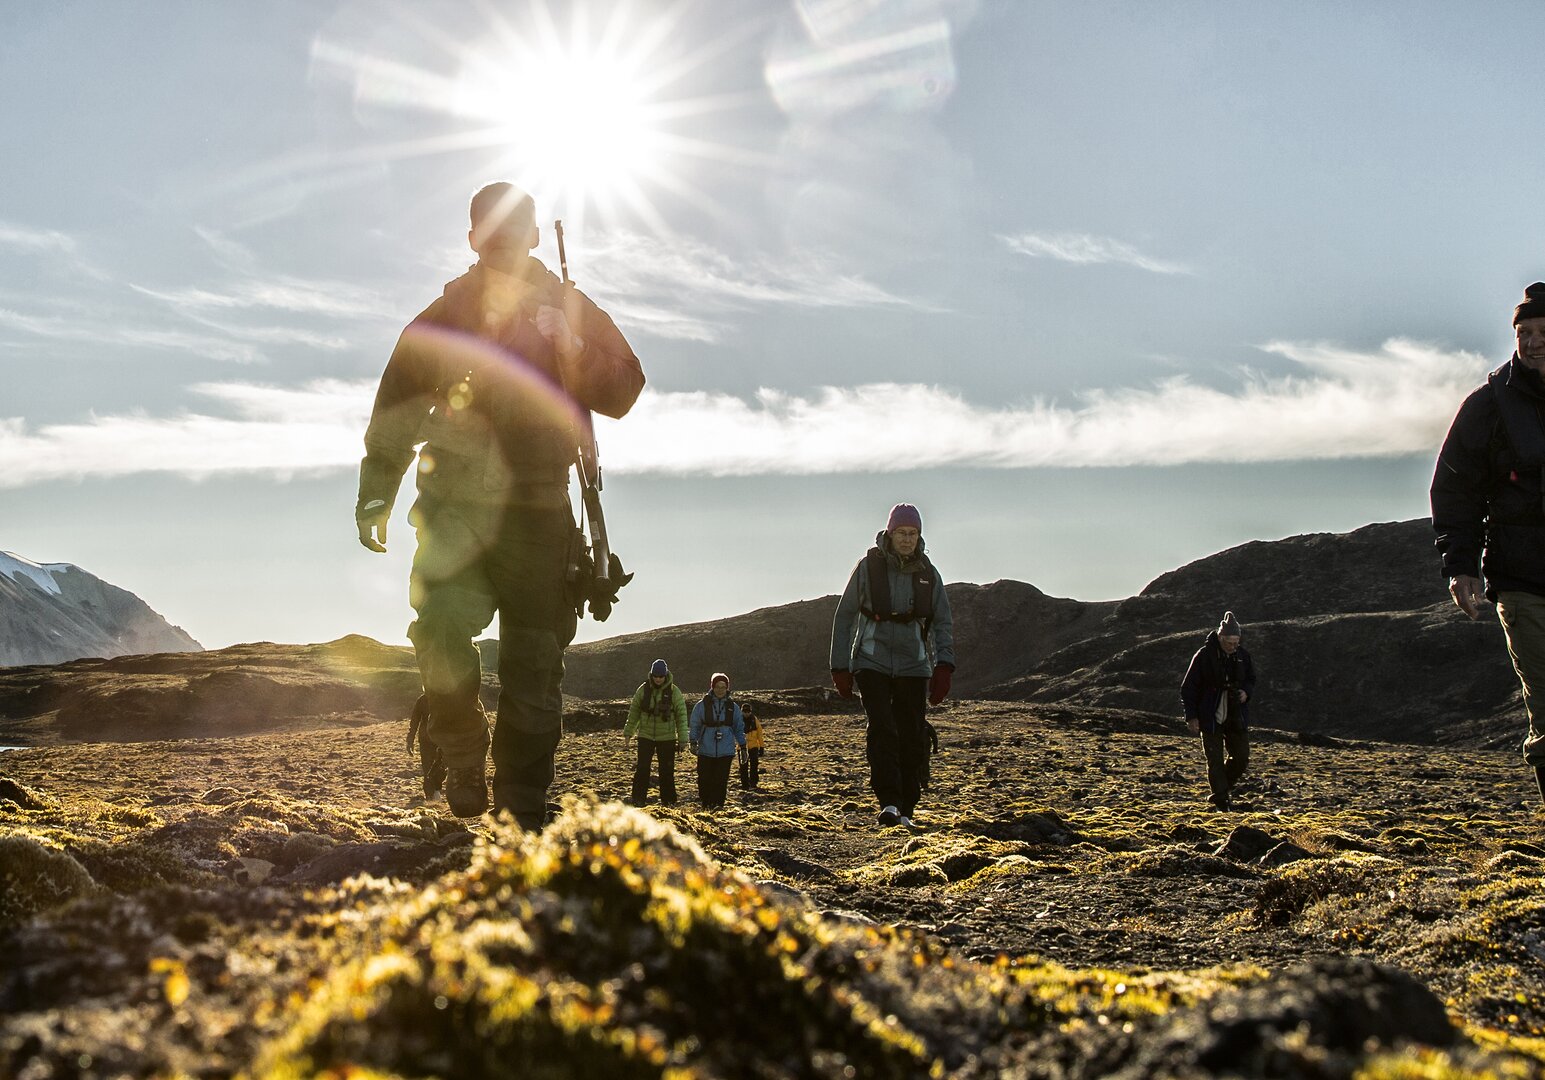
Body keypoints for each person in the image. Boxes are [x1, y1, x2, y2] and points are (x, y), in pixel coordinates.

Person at [355, 182, 645, 826]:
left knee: (535, 666)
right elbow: (396, 407)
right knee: (437, 631)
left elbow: (624, 386)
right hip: (453, 511)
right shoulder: (445, 315)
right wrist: (377, 491)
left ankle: (519, 804)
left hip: (541, 518)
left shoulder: (569, 306)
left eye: (517, 231)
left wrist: (573, 349)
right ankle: (461, 758)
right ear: (473, 241)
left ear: (536, 237)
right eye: (494, 233)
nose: (507, 244)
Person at [1432, 282, 1545, 804]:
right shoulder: (1488, 407)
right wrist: (1461, 565)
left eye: (1543, 332)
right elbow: (1455, 488)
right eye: (1524, 333)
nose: (1534, 342)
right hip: (1524, 582)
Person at [829, 503, 955, 829]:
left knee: (912, 735)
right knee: (883, 729)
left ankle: (907, 809)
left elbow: (943, 621)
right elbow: (844, 617)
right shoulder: (868, 568)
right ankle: (888, 803)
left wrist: (944, 665)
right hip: (871, 660)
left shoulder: (928, 574)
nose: (907, 539)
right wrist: (839, 667)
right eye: (902, 533)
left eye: (913, 534)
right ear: (890, 532)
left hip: (914, 665)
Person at [1180, 611, 1256, 812]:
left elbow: (1251, 680)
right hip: (1209, 714)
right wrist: (1192, 716)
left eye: (1236, 642)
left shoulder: (1243, 656)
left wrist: (1245, 692)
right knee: (1214, 759)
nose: (1233, 646)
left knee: (1241, 757)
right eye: (1230, 642)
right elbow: (1189, 687)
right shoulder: (1204, 656)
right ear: (1221, 638)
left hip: (1235, 714)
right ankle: (1221, 801)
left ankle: (1221, 791)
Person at [623, 658, 688, 806]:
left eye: (661, 676)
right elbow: (634, 712)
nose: (658, 679)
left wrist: (683, 738)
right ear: (651, 675)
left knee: (666, 771)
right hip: (645, 736)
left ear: (665, 675)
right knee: (642, 769)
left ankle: (669, 802)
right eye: (655, 676)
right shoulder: (643, 690)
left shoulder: (674, 692)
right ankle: (638, 800)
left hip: (667, 738)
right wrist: (628, 733)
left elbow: (681, 716)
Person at [689, 673, 746, 809]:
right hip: (705, 750)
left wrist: (743, 746)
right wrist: (693, 741)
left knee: (721, 781)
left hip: (726, 751)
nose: (720, 690)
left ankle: (718, 806)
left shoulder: (733, 707)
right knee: (704, 780)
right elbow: (695, 724)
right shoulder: (701, 705)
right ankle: (706, 804)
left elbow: (739, 727)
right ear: (712, 687)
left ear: (727, 688)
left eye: (723, 687)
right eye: (717, 686)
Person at [738, 702, 766, 791]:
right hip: (742, 747)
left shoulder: (755, 720)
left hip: (753, 746)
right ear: (741, 711)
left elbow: (760, 735)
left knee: (754, 765)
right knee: (743, 766)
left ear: (750, 711)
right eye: (744, 711)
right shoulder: (737, 721)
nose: (746, 713)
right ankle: (744, 784)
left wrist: (761, 747)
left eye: (748, 711)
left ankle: (753, 782)